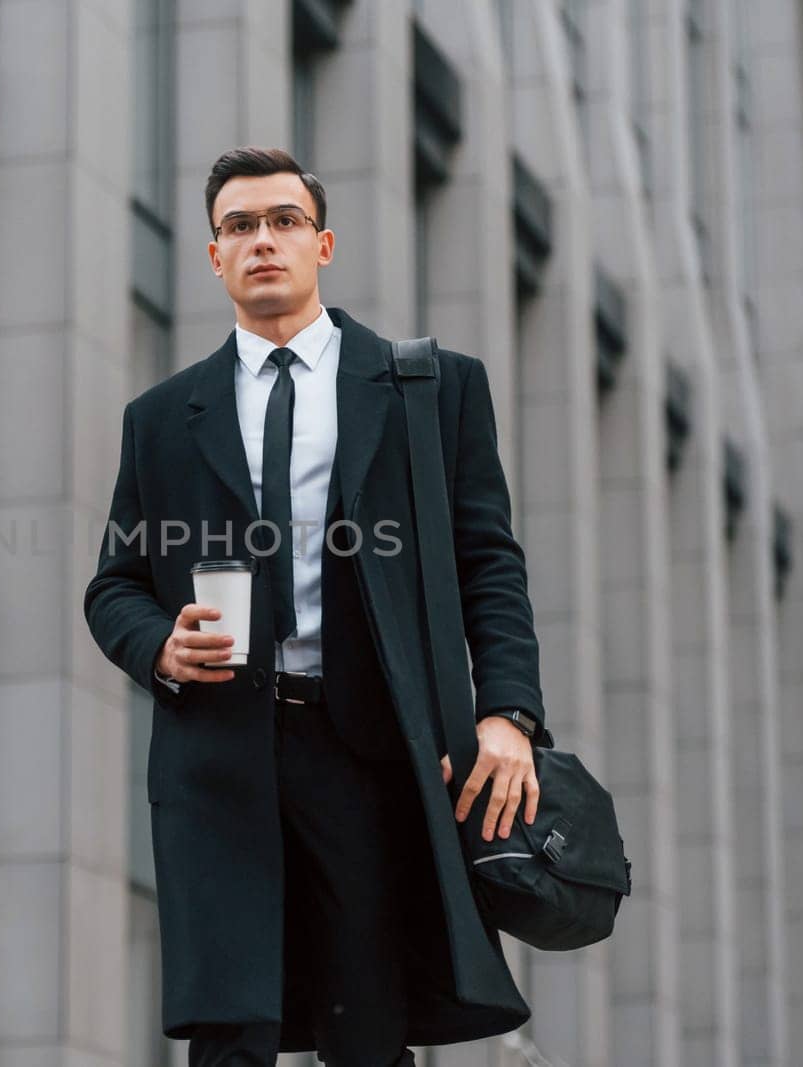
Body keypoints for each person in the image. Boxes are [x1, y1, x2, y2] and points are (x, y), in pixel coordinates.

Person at [83, 146, 553, 1066]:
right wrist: (158, 647)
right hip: (219, 757)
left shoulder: (431, 389)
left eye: (284, 222)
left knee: (368, 1028)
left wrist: (509, 714)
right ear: (214, 257)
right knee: (230, 1033)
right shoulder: (161, 416)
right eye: (240, 226)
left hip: (369, 752)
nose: (263, 241)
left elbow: (488, 561)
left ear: (323, 243)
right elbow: (115, 584)